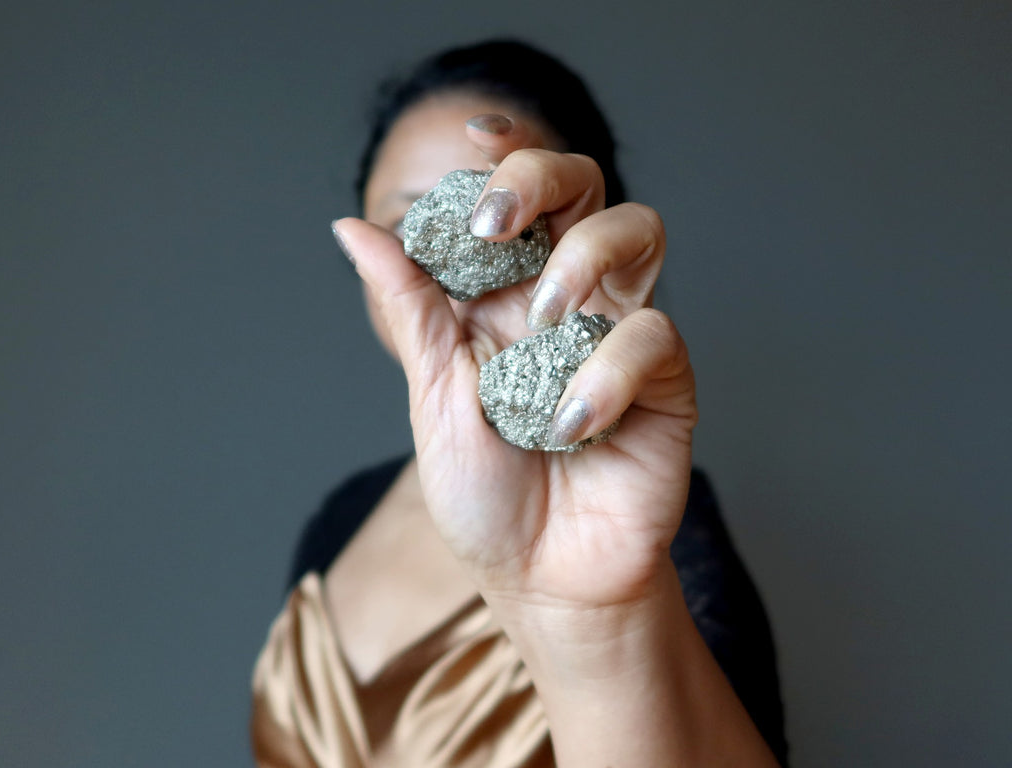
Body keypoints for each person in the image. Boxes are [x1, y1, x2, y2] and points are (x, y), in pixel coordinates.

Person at [251, 39, 787, 767]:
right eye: (410, 223)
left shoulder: (671, 539)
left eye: (502, 214)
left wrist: (600, 620)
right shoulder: (341, 518)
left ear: (579, 237)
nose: (446, 261)